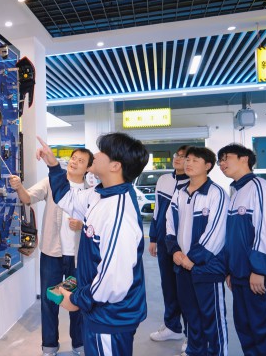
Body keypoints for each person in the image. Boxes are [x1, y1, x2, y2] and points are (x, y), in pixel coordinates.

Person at [36, 133, 149, 356]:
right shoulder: (98, 194)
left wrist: (77, 299)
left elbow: (114, 280)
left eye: (102, 152)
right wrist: (53, 166)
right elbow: (67, 199)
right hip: (97, 310)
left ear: (115, 166)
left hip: (110, 317)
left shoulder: (119, 213)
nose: (95, 155)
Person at [9, 147, 94, 356]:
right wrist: (19, 187)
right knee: (49, 302)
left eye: (81, 161)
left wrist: (82, 225)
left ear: (88, 168)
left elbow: (97, 225)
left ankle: (79, 344)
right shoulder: (52, 182)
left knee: (78, 300)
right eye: (73, 158)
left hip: (79, 257)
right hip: (51, 253)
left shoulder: (92, 191)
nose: (74, 162)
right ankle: (49, 346)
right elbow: (28, 198)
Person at [217, 143, 266, 355]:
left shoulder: (259, 186)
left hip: (260, 278)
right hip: (240, 277)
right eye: (220, 161)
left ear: (244, 159)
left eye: (226, 158)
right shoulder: (236, 192)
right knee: (247, 331)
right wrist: (230, 270)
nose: (222, 164)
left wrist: (260, 269)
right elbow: (231, 238)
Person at [165, 146, 229, 356]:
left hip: (206, 267)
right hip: (182, 265)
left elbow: (216, 232)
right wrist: (175, 251)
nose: (188, 163)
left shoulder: (216, 194)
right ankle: (195, 350)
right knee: (191, 313)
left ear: (208, 166)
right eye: (187, 159)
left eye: (195, 160)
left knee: (212, 316)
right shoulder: (180, 193)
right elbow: (169, 224)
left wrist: (192, 259)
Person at [149, 146, 189, 351]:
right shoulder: (164, 180)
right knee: (168, 286)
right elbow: (157, 211)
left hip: (184, 246)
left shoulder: (193, 184)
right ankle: (173, 327)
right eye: (177, 155)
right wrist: (153, 237)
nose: (178, 159)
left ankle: (191, 336)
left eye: (184, 157)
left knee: (186, 290)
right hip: (164, 243)